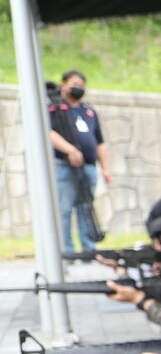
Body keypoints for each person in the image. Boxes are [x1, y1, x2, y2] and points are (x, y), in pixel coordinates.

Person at [48, 71, 111, 254]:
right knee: (65, 209)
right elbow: (49, 133)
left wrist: (105, 168)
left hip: (89, 167)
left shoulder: (88, 111)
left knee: (87, 207)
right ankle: (67, 249)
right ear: (64, 84)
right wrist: (70, 150)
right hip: (65, 166)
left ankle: (89, 248)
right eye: (74, 83)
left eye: (81, 85)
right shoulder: (56, 109)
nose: (78, 88)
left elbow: (100, 142)